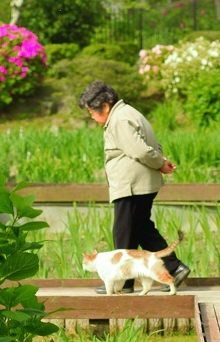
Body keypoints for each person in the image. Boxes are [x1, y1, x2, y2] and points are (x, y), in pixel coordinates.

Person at [78, 80, 190, 294]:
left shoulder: (119, 119)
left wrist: (159, 163)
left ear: (105, 106)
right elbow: (149, 146)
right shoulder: (129, 113)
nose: (91, 116)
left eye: (92, 111)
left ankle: (123, 282)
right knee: (141, 229)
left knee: (123, 232)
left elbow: (139, 150)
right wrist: (160, 161)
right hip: (139, 183)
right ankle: (174, 268)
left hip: (131, 185)